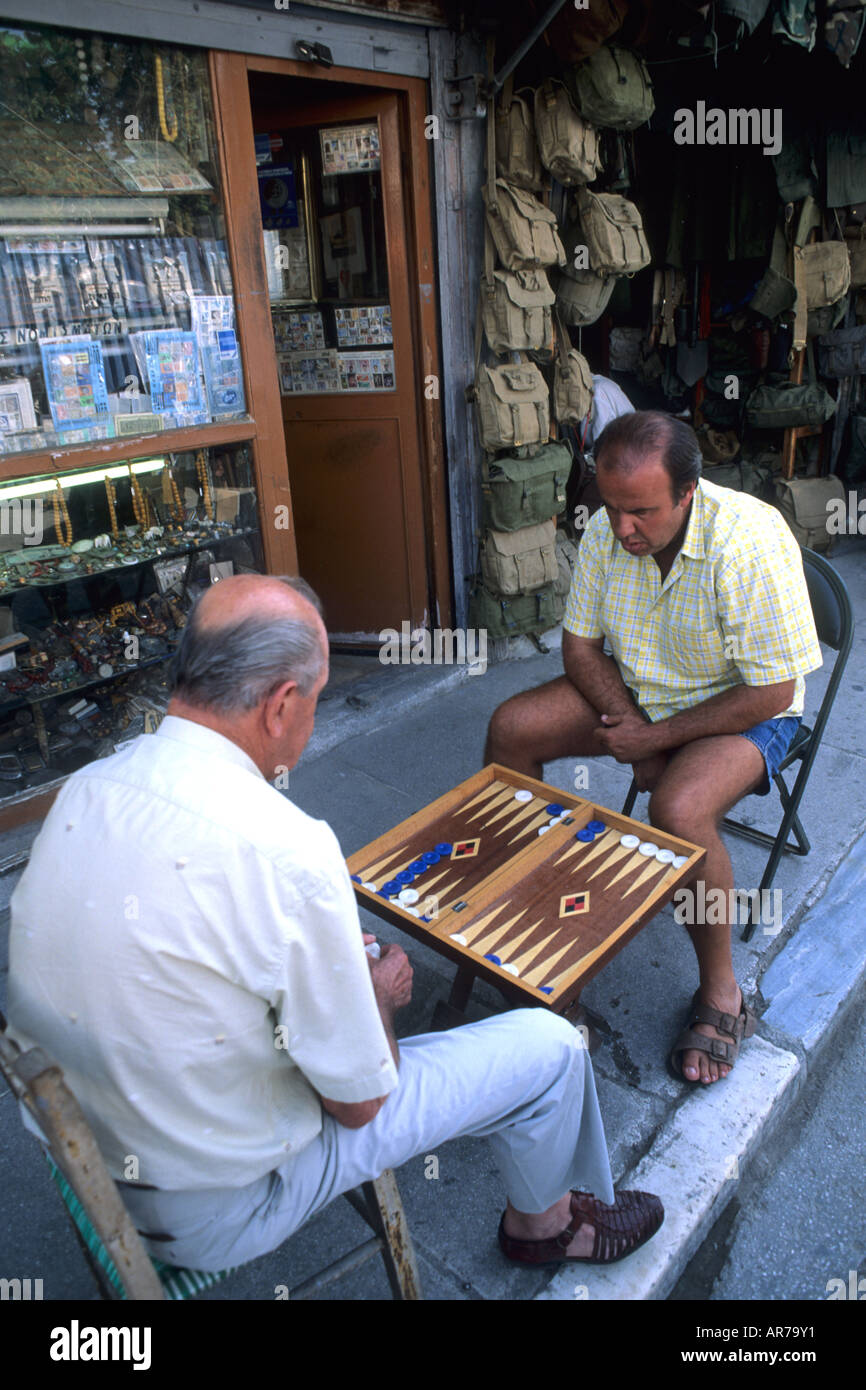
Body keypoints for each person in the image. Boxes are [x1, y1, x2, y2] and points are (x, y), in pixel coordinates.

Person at [6, 573, 663, 1274]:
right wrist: (375, 995)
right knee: (549, 1045)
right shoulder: (288, 849)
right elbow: (361, 1104)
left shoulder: (87, 788)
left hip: (81, 1161)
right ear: (282, 704)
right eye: (316, 701)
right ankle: (548, 1225)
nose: (313, 719)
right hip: (211, 1214)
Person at [486, 411, 823, 1086]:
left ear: (689, 493)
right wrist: (633, 723)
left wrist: (655, 739)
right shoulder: (613, 524)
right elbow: (580, 647)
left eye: (640, 512)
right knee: (511, 728)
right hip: (641, 692)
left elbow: (770, 690)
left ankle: (723, 990)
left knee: (679, 808)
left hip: (744, 709)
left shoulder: (748, 540)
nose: (621, 528)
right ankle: (529, 930)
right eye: (610, 508)